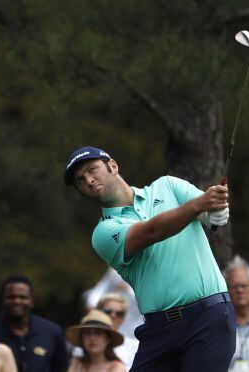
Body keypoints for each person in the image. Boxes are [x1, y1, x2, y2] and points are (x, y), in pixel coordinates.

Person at [65, 146, 235, 371]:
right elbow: (150, 232)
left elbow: (212, 215)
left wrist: (217, 209)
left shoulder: (168, 186)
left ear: (113, 166)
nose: (88, 180)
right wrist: (199, 204)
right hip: (158, 328)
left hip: (208, 318)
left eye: (91, 169)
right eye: (80, 180)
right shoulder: (103, 232)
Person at [0, 276, 68, 372]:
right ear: (3, 301)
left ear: (32, 301)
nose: (17, 301)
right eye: (11, 297)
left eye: (23, 297)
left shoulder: (52, 332)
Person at [82, 268, 141, 339]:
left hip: (133, 326)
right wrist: (92, 304)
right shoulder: (116, 268)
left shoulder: (148, 271)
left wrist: (128, 289)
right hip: (110, 319)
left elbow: (147, 299)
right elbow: (100, 288)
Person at [95, 294, 139, 369]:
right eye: (108, 311)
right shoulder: (86, 344)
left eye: (119, 313)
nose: (113, 316)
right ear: (98, 313)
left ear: (124, 319)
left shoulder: (135, 346)